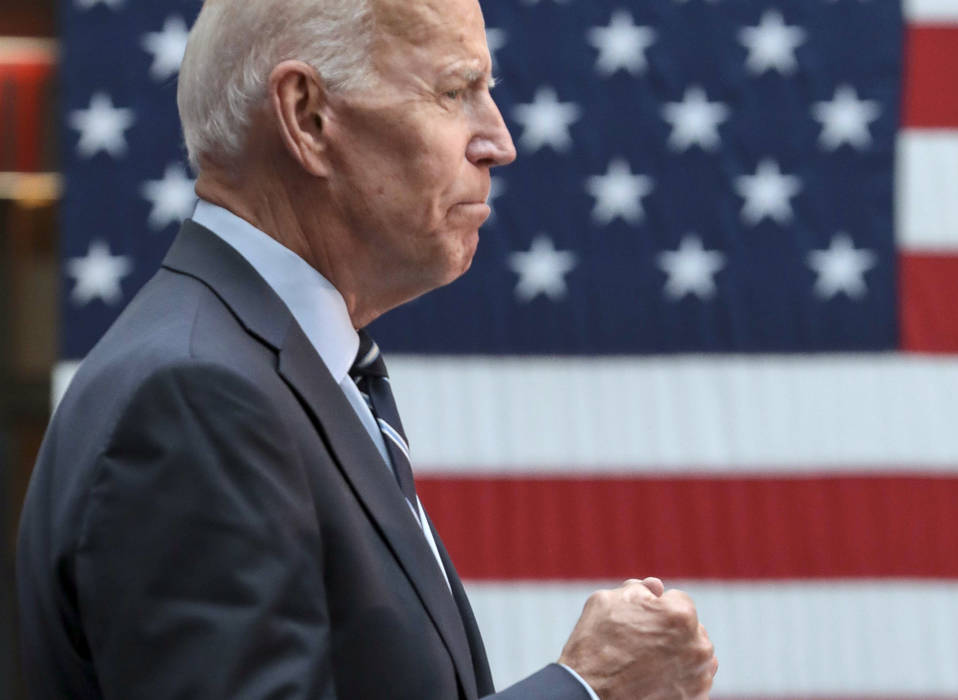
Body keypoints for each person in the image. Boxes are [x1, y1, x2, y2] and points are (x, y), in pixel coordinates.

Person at [17, 0, 719, 698]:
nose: (498, 142)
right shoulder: (195, 397)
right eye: (455, 91)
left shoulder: (277, 370)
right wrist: (584, 691)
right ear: (308, 116)